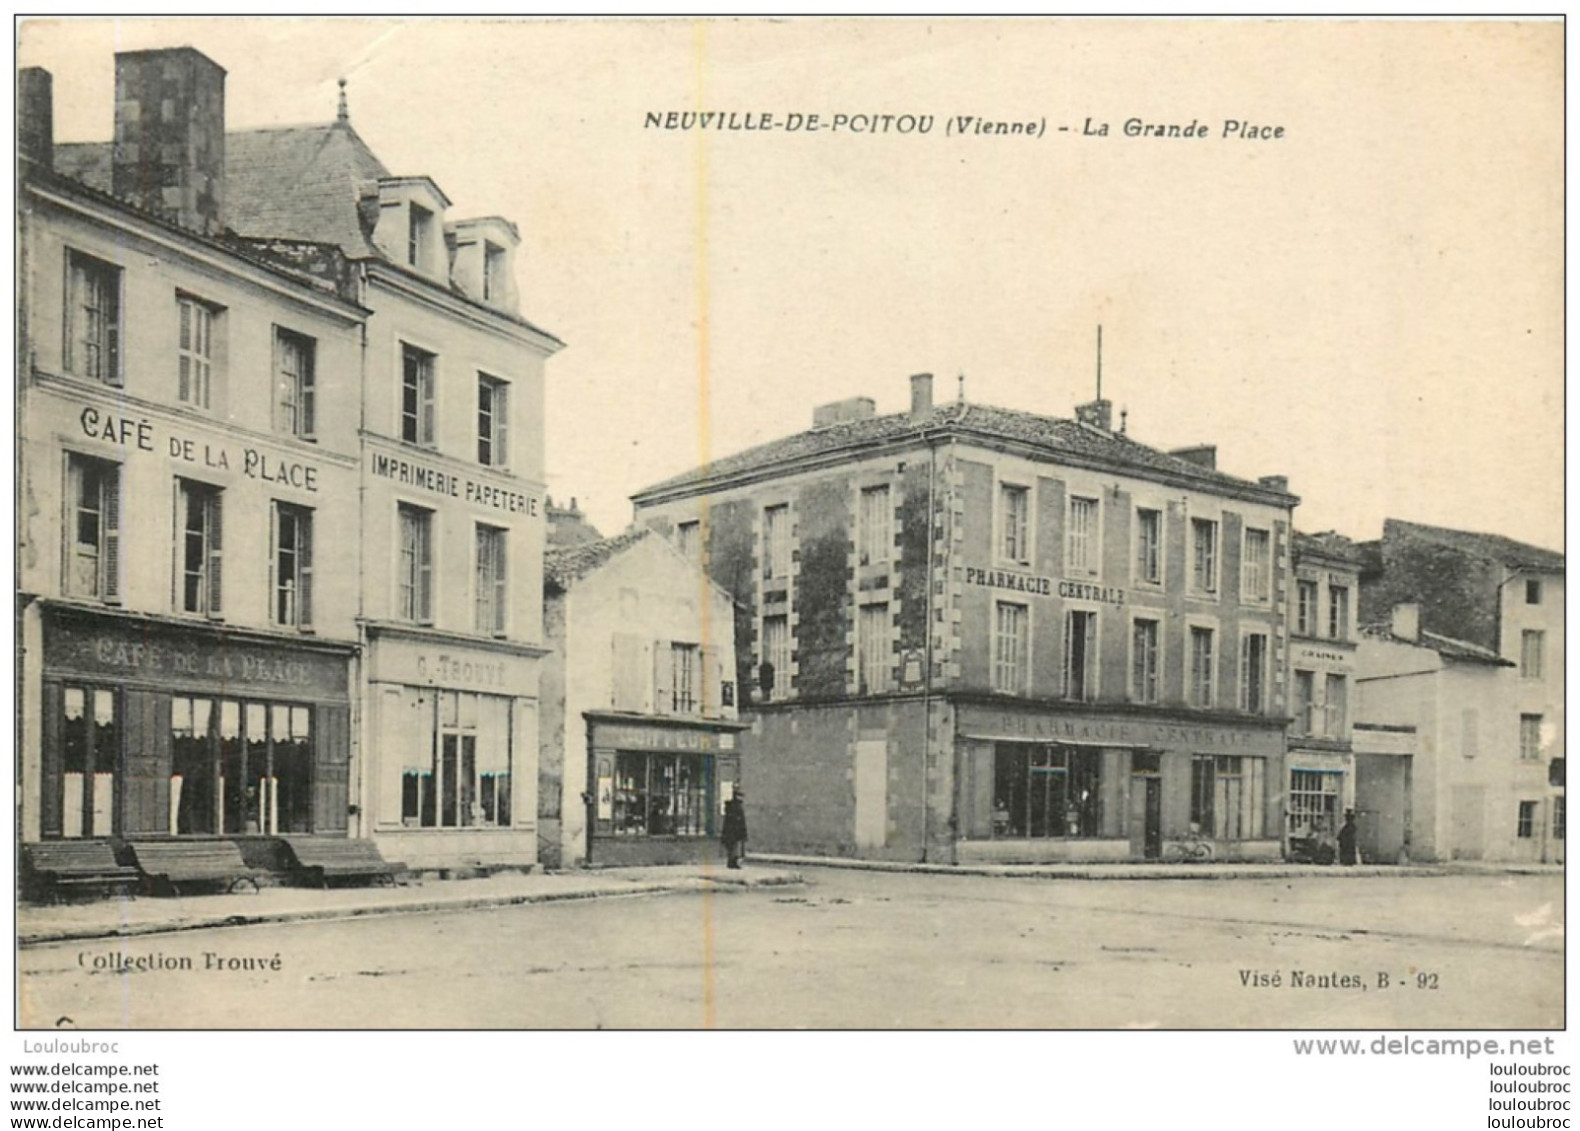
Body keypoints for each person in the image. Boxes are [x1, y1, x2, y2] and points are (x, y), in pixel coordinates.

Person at [722, 787, 748, 869]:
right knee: (734, 847)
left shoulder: (731, 806)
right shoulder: (736, 806)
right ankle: (733, 862)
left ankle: (732, 862)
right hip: (735, 831)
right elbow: (739, 820)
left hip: (732, 831)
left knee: (733, 847)